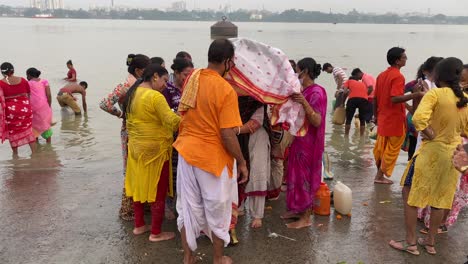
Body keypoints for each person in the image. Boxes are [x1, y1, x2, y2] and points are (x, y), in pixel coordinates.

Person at [174, 39, 248, 264]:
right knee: (218, 211)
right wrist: (242, 162)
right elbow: (227, 134)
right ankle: (218, 258)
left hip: (187, 153)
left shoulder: (192, 78)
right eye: (232, 63)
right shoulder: (225, 89)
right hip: (212, 160)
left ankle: (189, 257)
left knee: (188, 208)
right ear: (227, 61)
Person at [389, 57, 468, 256]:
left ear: (439, 75)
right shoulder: (464, 99)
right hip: (452, 155)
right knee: (440, 200)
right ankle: (430, 242)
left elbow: (418, 119)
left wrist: (432, 134)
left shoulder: (436, 94)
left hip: (431, 153)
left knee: (410, 194)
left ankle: (411, 243)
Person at [123, 64, 180, 242]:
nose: (165, 84)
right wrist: (185, 115)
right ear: (155, 76)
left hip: (135, 148)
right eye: (164, 80)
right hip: (155, 150)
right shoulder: (155, 96)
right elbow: (172, 122)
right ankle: (156, 232)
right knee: (158, 190)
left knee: (138, 187)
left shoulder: (132, 93)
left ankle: (139, 225)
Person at [99, 54, 151, 221]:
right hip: (130, 132)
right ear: (137, 70)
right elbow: (104, 103)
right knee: (131, 169)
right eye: (146, 69)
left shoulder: (136, 85)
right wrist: (120, 114)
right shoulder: (125, 86)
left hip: (135, 130)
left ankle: (140, 206)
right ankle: (128, 210)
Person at [282, 57, 327, 229]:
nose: (295, 73)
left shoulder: (316, 92)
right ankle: (296, 209)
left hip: (310, 144)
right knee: (295, 176)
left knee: (306, 179)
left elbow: (316, 121)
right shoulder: (303, 90)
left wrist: (303, 102)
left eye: (297, 70)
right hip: (298, 140)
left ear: (305, 71)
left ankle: (306, 218)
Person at [373, 47, 424, 184]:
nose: (406, 59)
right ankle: (379, 177)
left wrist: (375, 116)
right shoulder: (398, 76)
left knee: (382, 148)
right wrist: (416, 94)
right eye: (404, 57)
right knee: (392, 150)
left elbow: (375, 98)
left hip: (383, 117)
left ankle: (379, 175)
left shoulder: (381, 75)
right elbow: (394, 98)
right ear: (397, 61)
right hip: (395, 119)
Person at [163, 58, 194, 220]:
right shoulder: (166, 89)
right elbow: (166, 113)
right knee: (172, 172)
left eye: (190, 75)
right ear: (175, 73)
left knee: (185, 173)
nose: (187, 78)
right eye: (184, 74)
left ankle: (182, 205)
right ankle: (169, 205)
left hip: (187, 137)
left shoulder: (190, 88)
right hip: (172, 137)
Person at [236, 98, 271, 229]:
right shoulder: (232, 93)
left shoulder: (258, 97)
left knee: (257, 173)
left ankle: (257, 215)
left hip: (258, 137)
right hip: (237, 138)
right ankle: (238, 205)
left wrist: (235, 130)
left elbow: (256, 123)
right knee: (237, 171)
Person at [0, 62, 36, 155]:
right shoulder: (23, 80)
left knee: (13, 133)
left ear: (2, 72)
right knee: (28, 131)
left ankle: (15, 155)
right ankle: (34, 153)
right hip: (25, 110)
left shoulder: (1, 83)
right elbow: (28, 95)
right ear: (13, 70)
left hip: (11, 113)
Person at [26, 67, 53, 143]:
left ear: (29, 75)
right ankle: (49, 144)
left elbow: (27, 96)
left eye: (27, 75)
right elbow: (49, 95)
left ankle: (37, 143)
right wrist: (49, 106)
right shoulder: (44, 81)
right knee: (45, 125)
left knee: (34, 125)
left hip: (33, 107)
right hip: (44, 106)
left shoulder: (28, 83)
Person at [343, 69, 369, 136]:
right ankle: (362, 137)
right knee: (362, 120)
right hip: (364, 100)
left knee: (348, 119)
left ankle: (346, 136)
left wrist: (342, 103)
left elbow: (345, 92)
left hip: (353, 99)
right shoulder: (362, 83)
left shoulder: (348, 81)